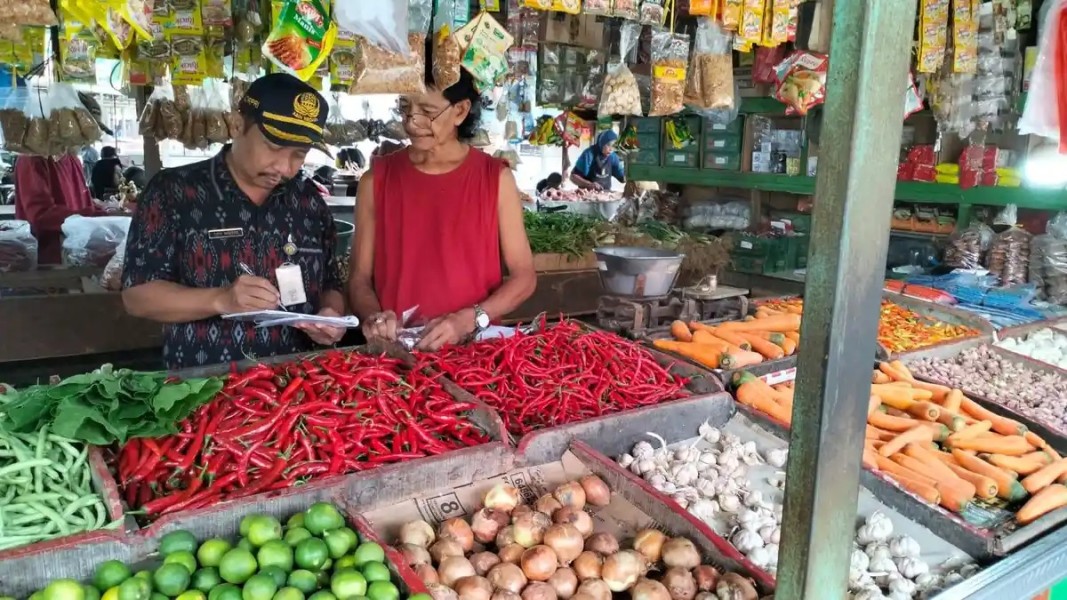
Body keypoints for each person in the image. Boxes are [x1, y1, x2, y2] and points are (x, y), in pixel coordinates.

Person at [122, 73, 347, 369]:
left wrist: (331, 314)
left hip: (299, 388)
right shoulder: (174, 192)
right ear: (237, 125)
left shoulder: (308, 201)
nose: (284, 167)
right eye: (273, 147)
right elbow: (137, 296)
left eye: (298, 154)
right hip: (203, 387)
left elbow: (331, 282)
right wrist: (220, 299)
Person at [349, 58, 536, 351]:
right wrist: (374, 317)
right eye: (405, 107)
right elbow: (359, 278)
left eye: (427, 111)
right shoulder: (375, 181)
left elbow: (524, 277)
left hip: (475, 353)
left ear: (460, 111)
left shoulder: (495, 179)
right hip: (398, 354)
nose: (412, 121)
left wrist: (471, 319)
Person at [14, 92, 109, 265]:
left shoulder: (72, 158)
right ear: (67, 124)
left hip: (75, 256)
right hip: (46, 262)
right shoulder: (33, 158)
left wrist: (105, 210)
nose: (89, 139)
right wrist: (95, 216)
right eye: (85, 131)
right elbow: (41, 216)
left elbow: (80, 204)